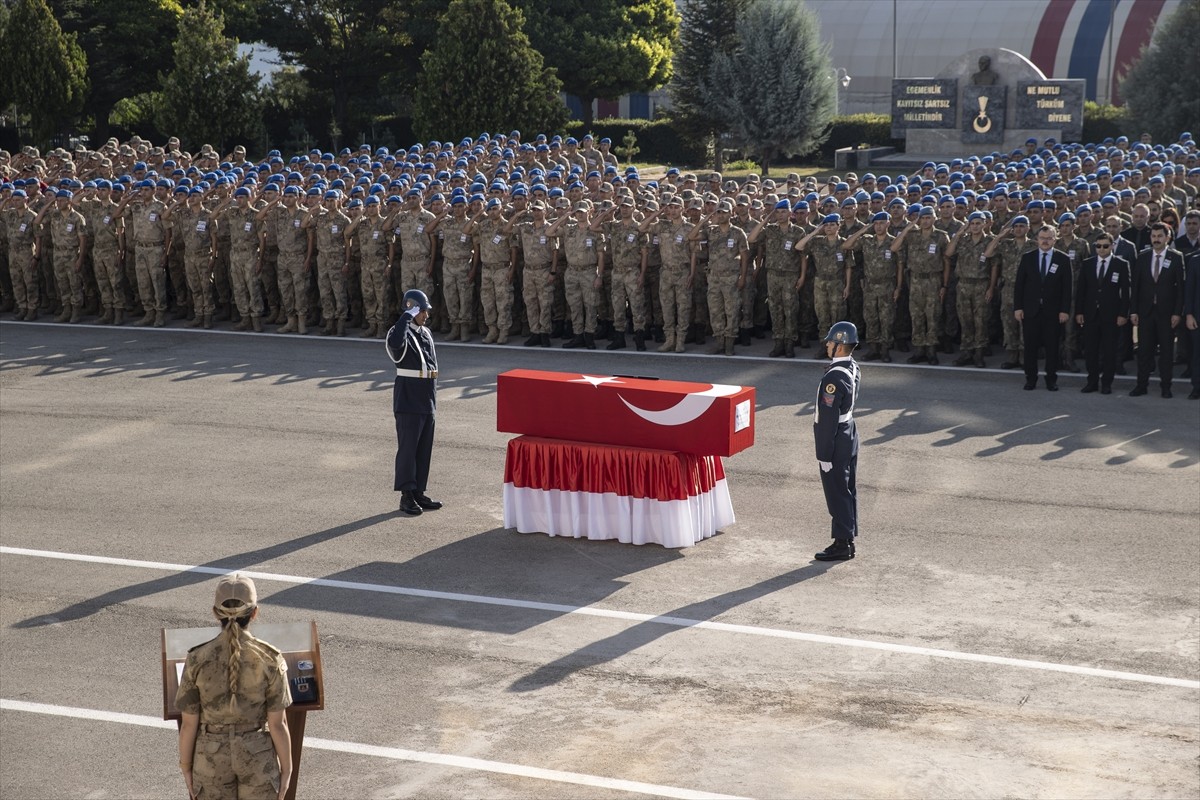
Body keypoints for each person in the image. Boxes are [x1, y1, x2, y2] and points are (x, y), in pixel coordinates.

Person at [175, 574, 292, 800]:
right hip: (257, 754)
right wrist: (287, 769)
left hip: (210, 758)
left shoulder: (197, 658)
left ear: (215, 612)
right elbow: (278, 724)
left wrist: (186, 766)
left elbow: (189, 725)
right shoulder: (270, 658)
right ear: (254, 612)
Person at [387, 288, 443, 515]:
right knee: (408, 449)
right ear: (412, 309)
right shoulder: (399, 331)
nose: (426, 316)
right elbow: (396, 346)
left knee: (423, 448)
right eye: (423, 311)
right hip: (409, 396)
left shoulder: (425, 333)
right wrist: (406, 317)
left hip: (426, 395)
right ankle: (406, 495)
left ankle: (419, 491)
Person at [813, 321, 861, 562]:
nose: (827, 344)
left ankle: (842, 543)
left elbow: (828, 420)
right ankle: (848, 537)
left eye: (831, 341)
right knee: (848, 488)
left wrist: (823, 454)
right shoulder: (852, 367)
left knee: (837, 490)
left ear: (840, 346)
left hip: (837, 437)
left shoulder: (834, 377)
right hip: (849, 431)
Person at [1129, 222, 1185, 397]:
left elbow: (1180, 289)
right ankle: (1141, 385)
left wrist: (1177, 312)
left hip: (1166, 314)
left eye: (1160, 236)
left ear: (1167, 237)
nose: (1156, 239)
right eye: (1153, 236)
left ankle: (1166, 387)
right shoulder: (1143, 256)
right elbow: (1135, 286)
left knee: (1167, 352)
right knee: (1144, 351)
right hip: (1145, 312)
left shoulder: (1176, 257)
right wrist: (1134, 311)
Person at [1014, 224, 1072, 390]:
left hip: (1053, 312)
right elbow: (1019, 285)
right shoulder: (1028, 257)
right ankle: (1030, 379)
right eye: (1042, 238)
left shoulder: (1063, 259)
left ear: (1055, 239)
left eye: (1049, 238)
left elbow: (1067, 288)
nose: (1045, 241)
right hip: (1031, 311)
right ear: (1037, 239)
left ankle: (1051, 379)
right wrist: (1018, 308)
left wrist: (1064, 310)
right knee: (1030, 347)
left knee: (1052, 348)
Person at [1075, 233, 1130, 394]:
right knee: (1091, 350)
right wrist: (1079, 311)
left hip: (1111, 315)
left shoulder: (1121, 264)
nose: (1101, 249)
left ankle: (1107, 383)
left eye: (1105, 246)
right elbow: (1081, 290)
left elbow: (1126, 292)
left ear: (1112, 246)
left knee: (1109, 350)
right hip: (1091, 314)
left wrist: (1123, 314)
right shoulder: (1088, 264)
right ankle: (1091, 381)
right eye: (1098, 246)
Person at [1184, 249, 1200, 399]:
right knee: (1197, 354)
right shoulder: (1195, 261)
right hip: (1197, 317)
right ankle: (1197, 387)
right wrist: (1188, 315)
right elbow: (1189, 290)